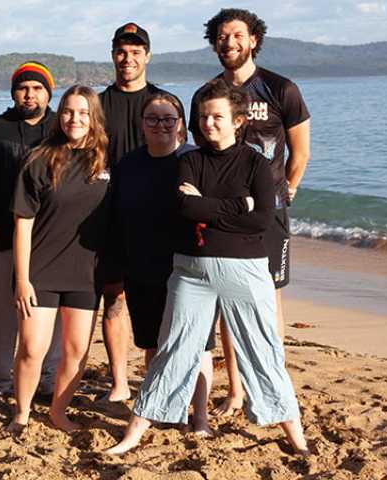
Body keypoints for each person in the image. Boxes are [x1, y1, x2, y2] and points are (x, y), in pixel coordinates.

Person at [105, 80, 307, 456]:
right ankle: (135, 430)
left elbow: (262, 219)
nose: (210, 123)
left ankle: (295, 435)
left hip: (245, 271)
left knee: (262, 352)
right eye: (204, 117)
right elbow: (187, 209)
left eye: (218, 117)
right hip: (191, 272)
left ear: (238, 121)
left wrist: (216, 207)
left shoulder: (255, 163)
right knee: (173, 350)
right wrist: (237, 205)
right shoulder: (190, 160)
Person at [189, 8, 311, 416]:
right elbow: (200, 150)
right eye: (222, 37)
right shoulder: (207, 95)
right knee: (228, 302)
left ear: (254, 39)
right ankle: (237, 390)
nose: (229, 43)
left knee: (268, 301)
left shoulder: (282, 89)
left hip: (268, 214)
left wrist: (286, 191)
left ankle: (272, 386)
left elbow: (301, 151)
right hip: (222, 214)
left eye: (237, 35)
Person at [107, 93, 215, 435]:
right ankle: (165, 410)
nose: (160, 125)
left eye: (168, 118)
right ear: (142, 125)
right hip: (141, 268)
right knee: (153, 345)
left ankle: (199, 417)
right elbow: (116, 218)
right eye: (152, 119)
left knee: (198, 347)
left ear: (181, 123)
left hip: (190, 271)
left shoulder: (194, 161)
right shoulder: (128, 164)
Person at [9, 85, 110, 433]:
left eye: (83, 113)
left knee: (76, 351)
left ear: (94, 117)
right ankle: (21, 414)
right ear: (59, 115)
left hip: (86, 273)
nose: (75, 119)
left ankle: (57, 412)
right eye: (68, 111)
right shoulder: (39, 159)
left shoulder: (107, 160)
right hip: (41, 271)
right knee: (32, 348)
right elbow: (22, 224)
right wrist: (22, 279)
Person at [0, 61, 62, 406]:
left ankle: (48, 380)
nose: (30, 94)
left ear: (49, 92)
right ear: (14, 93)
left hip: (48, 242)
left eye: (37, 88)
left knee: (49, 316)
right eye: (23, 88)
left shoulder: (61, 130)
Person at [98, 22, 178, 402]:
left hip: (157, 221)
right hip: (110, 218)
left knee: (158, 304)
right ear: (113, 54)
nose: (127, 58)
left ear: (147, 55)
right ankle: (118, 382)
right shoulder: (99, 105)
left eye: (135, 51)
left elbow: (186, 155)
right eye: (121, 51)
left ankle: (155, 379)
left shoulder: (164, 103)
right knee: (113, 297)